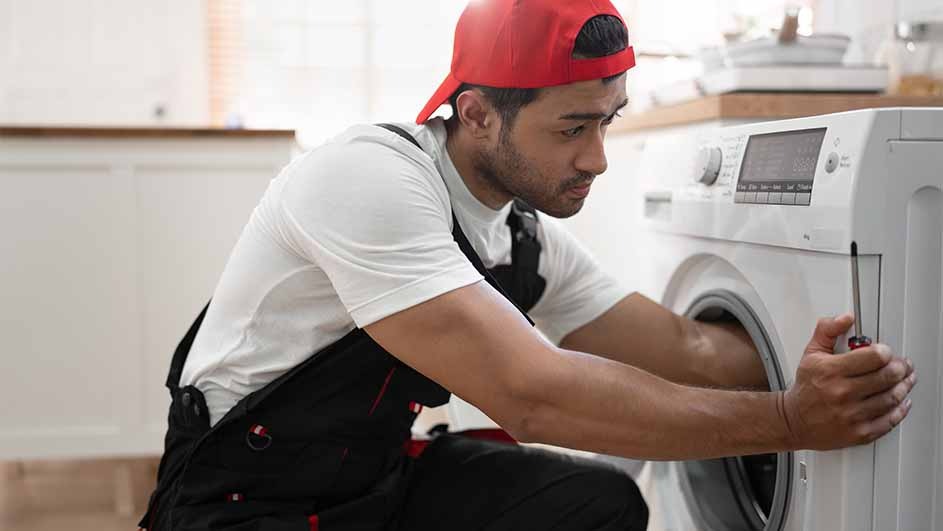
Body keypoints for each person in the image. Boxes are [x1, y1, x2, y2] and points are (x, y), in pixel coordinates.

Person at [139, 1, 917, 529]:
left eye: (607, 120)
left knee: (596, 503)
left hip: (370, 487)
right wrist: (787, 422)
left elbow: (689, 351)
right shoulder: (366, 178)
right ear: (476, 112)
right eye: (572, 127)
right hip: (237, 502)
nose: (597, 157)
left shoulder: (518, 235)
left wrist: (821, 373)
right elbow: (534, 396)